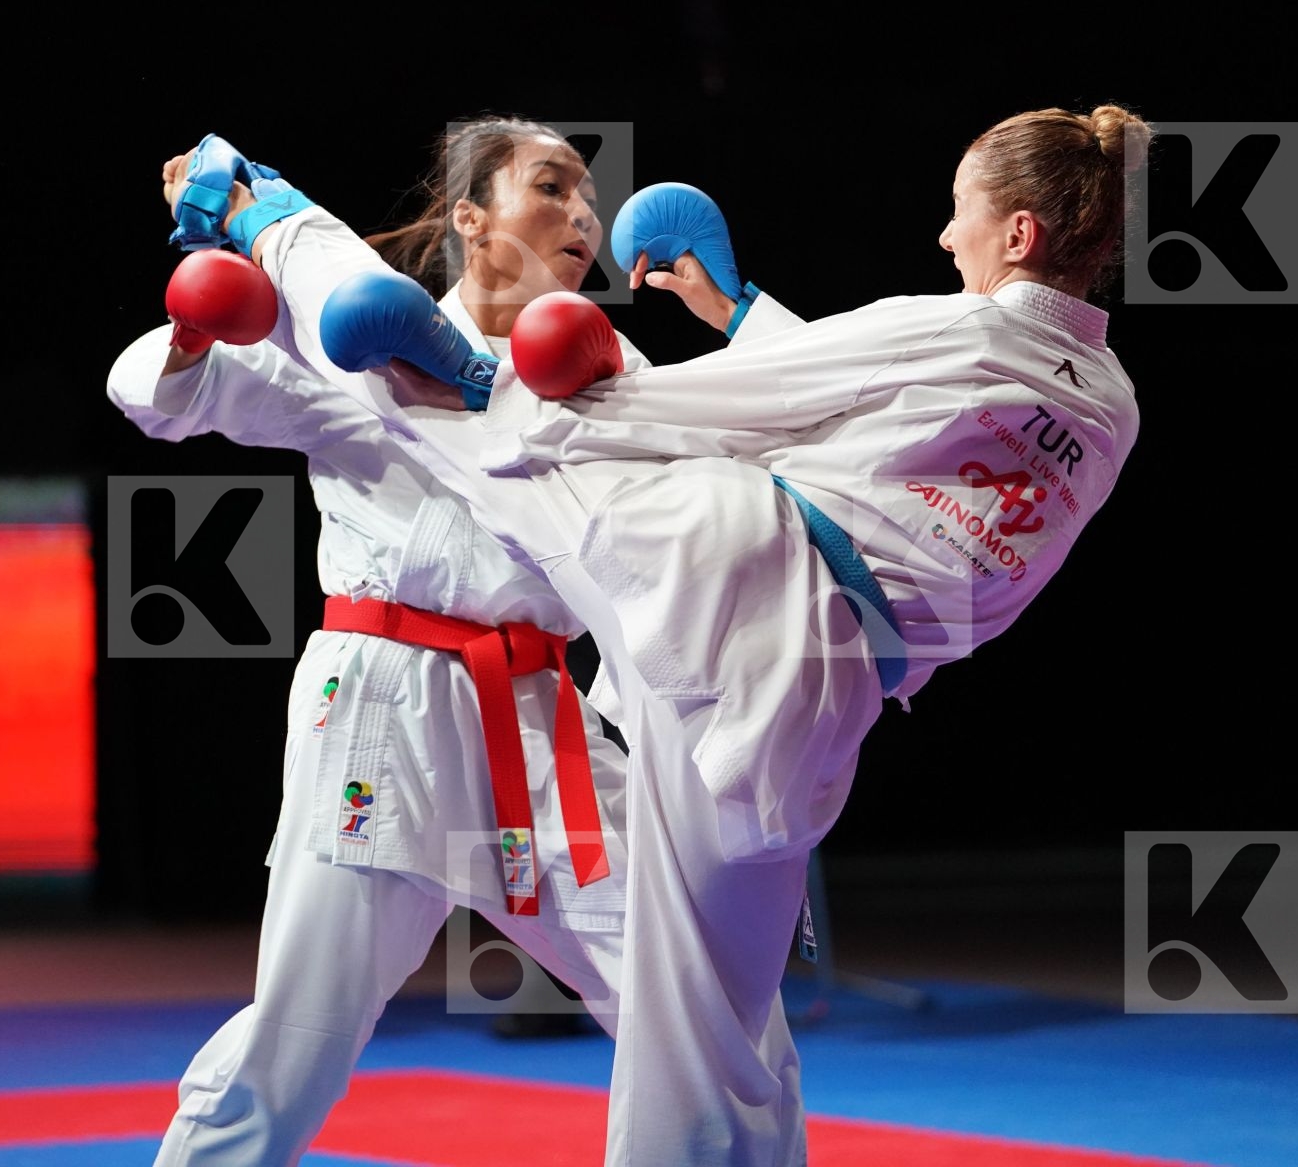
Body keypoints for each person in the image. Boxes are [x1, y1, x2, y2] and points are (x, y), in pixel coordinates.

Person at [186, 102, 1151, 1166]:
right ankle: (295, 235)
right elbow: (866, 407)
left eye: (959, 216)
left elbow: (758, 401)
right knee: (714, 1032)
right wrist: (715, 321)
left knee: (496, 432)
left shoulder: (965, 327)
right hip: (813, 671)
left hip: (734, 585)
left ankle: (287, 229)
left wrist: (579, 401)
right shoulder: (1112, 407)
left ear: (1019, 236)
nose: (942, 239)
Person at [109, 116, 655, 1167]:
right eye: (550, 187)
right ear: (470, 218)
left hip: (538, 716)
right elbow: (154, 401)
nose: (583, 213)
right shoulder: (348, 341)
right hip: (380, 709)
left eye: (590, 195)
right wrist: (196, 318)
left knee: (690, 1002)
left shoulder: (614, 375)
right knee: (299, 1034)